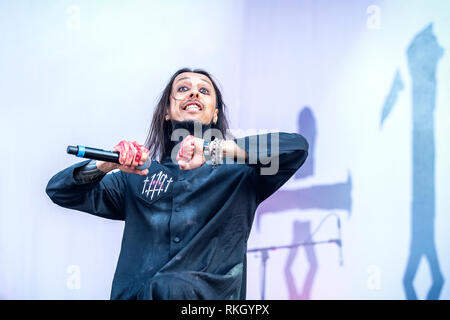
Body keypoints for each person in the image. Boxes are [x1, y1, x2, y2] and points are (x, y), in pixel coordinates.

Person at [46, 67, 309, 300]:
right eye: (183, 88)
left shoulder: (241, 174)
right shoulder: (137, 176)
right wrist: (108, 164)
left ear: (215, 114)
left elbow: (296, 148)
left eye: (204, 91)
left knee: (170, 286)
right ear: (166, 113)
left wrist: (212, 150)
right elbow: (60, 191)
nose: (193, 94)